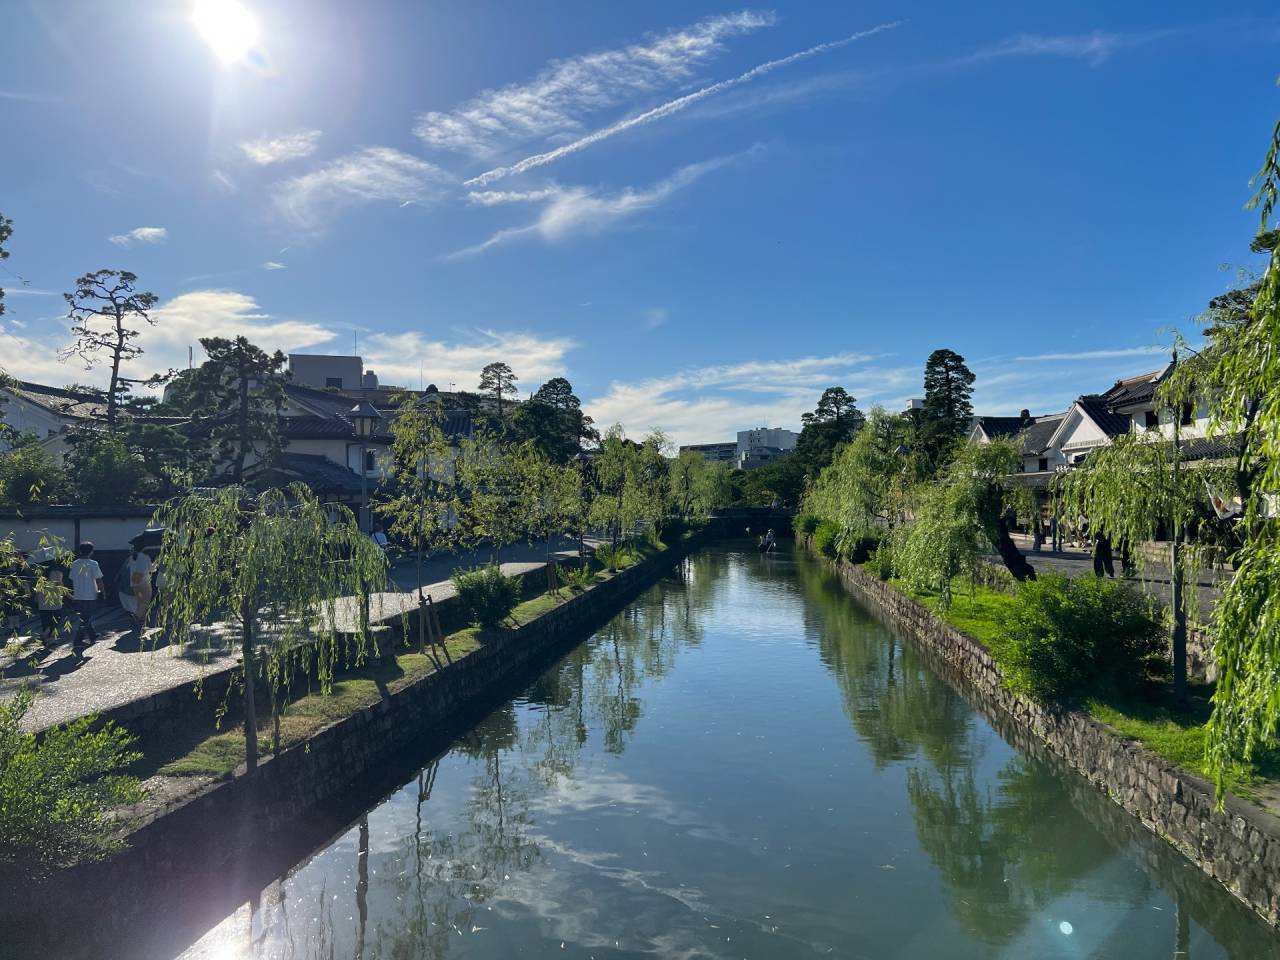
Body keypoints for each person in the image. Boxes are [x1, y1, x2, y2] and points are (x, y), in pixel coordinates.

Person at [68, 541, 103, 649]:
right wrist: (102, 591)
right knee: (86, 617)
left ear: (80, 551)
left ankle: (93, 635)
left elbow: (71, 578)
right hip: (91, 593)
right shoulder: (93, 563)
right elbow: (98, 579)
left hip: (78, 594)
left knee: (84, 616)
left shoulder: (75, 563)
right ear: (91, 552)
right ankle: (78, 640)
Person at [36, 561, 67, 645]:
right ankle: (47, 636)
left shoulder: (40, 573)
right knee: (57, 618)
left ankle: (47, 639)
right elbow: (61, 587)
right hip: (54, 599)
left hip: (42, 599)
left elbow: (38, 587)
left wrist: (37, 598)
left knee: (46, 621)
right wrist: (70, 597)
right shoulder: (57, 573)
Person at [129, 545, 155, 630]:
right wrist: (156, 563)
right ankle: (136, 617)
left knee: (140, 601)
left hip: (134, 581)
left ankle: (140, 621)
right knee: (146, 601)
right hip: (144, 581)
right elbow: (151, 569)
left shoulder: (131, 557)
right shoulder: (145, 557)